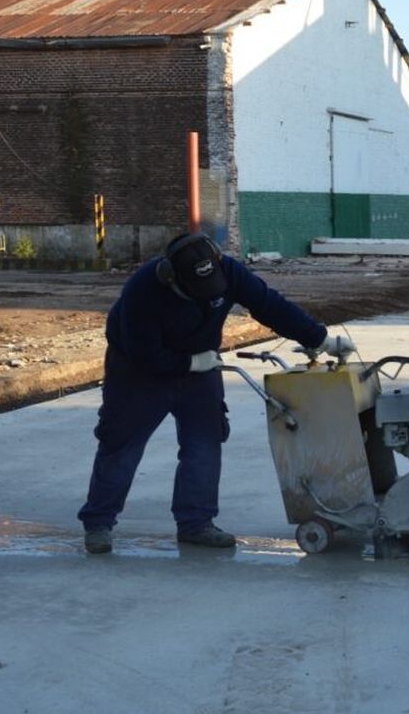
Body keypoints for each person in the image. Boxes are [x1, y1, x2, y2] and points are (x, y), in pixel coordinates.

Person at [77, 232, 351, 554]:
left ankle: (196, 524)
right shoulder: (144, 290)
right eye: (195, 293)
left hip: (200, 369)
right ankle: (98, 523)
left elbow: (270, 305)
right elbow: (144, 354)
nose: (205, 298)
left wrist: (319, 340)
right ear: (171, 277)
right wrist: (190, 362)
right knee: (121, 445)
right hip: (138, 374)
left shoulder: (229, 272)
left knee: (204, 444)